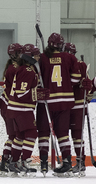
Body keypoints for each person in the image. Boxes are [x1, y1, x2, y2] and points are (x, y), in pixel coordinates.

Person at [36, 33, 82, 176]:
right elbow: (75, 80)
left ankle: (43, 162)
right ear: (61, 45)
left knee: (43, 133)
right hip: (65, 102)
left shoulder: (42, 58)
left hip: (46, 102)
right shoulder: (70, 58)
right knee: (63, 134)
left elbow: (36, 80)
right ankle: (67, 162)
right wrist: (65, 84)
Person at [6, 44, 50, 177]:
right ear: (29, 56)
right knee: (32, 134)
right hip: (21, 109)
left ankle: (13, 163)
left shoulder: (25, 69)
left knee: (20, 136)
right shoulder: (28, 71)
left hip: (14, 108)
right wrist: (38, 94)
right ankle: (24, 162)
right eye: (36, 54)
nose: (38, 57)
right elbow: (21, 93)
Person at [64, 43, 92, 176]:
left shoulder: (81, 65)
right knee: (63, 134)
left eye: (72, 53)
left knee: (76, 135)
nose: (70, 55)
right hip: (63, 104)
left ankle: (80, 162)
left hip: (78, 104)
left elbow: (88, 86)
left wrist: (88, 88)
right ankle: (66, 162)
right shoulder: (60, 64)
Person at [0, 43, 22, 176]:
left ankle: (7, 161)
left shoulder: (12, 67)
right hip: (9, 106)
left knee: (14, 135)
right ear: (16, 54)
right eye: (20, 53)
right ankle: (6, 162)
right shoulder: (15, 69)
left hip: (7, 105)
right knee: (15, 136)